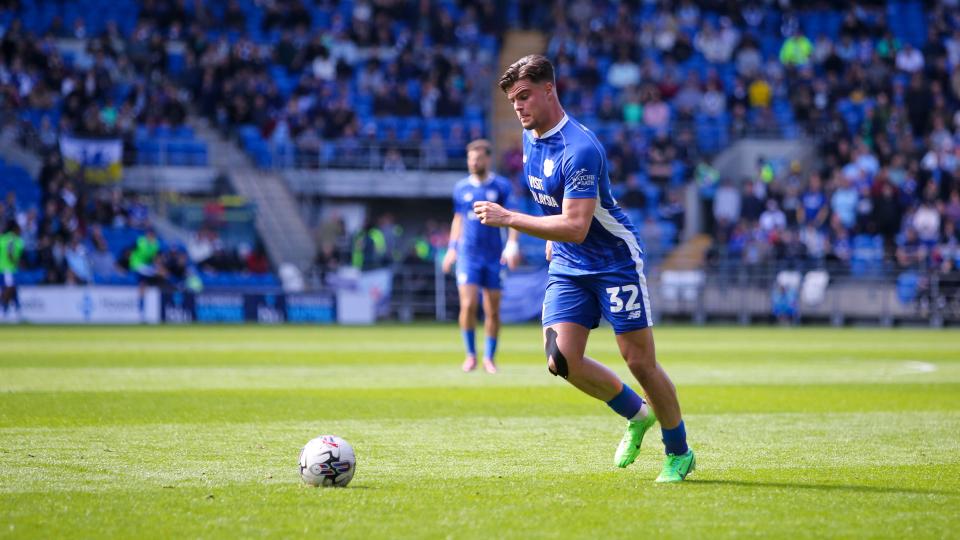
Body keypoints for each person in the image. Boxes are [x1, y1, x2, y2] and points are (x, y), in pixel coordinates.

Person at [473, 55, 694, 482]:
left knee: (640, 362)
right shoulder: (529, 138)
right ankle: (636, 413)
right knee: (560, 359)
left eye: (524, 96)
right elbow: (557, 214)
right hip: (570, 263)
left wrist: (509, 218)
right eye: (512, 100)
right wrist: (552, 240)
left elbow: (576, 225)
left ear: (549, 89)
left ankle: (679, 451)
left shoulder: (581, 148)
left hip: (614, 262)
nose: (517, 107)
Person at [442, 139, 520, 374]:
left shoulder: (502, 186)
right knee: (468, 304)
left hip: (494, 255)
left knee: (492, 309)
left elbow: (513, 216)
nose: (473, 162)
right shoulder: (461, 188)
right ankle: (470, 355)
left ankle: (489, 357)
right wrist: (452, 248)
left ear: (487, 159)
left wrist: (512, 245)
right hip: (468, 254)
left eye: (477, 158)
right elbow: (459, 219)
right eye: (470, 158)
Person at [0, 220, 24, 322]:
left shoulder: (2, 238)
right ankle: (3, 309)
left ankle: (16, 311)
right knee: (9, 289)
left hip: (4, 268)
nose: (21, 231)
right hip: (8, 269)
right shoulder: (13, 239)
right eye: (19, 229)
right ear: (15, 229)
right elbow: (10, 252)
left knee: (13, 289)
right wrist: (14, 261)